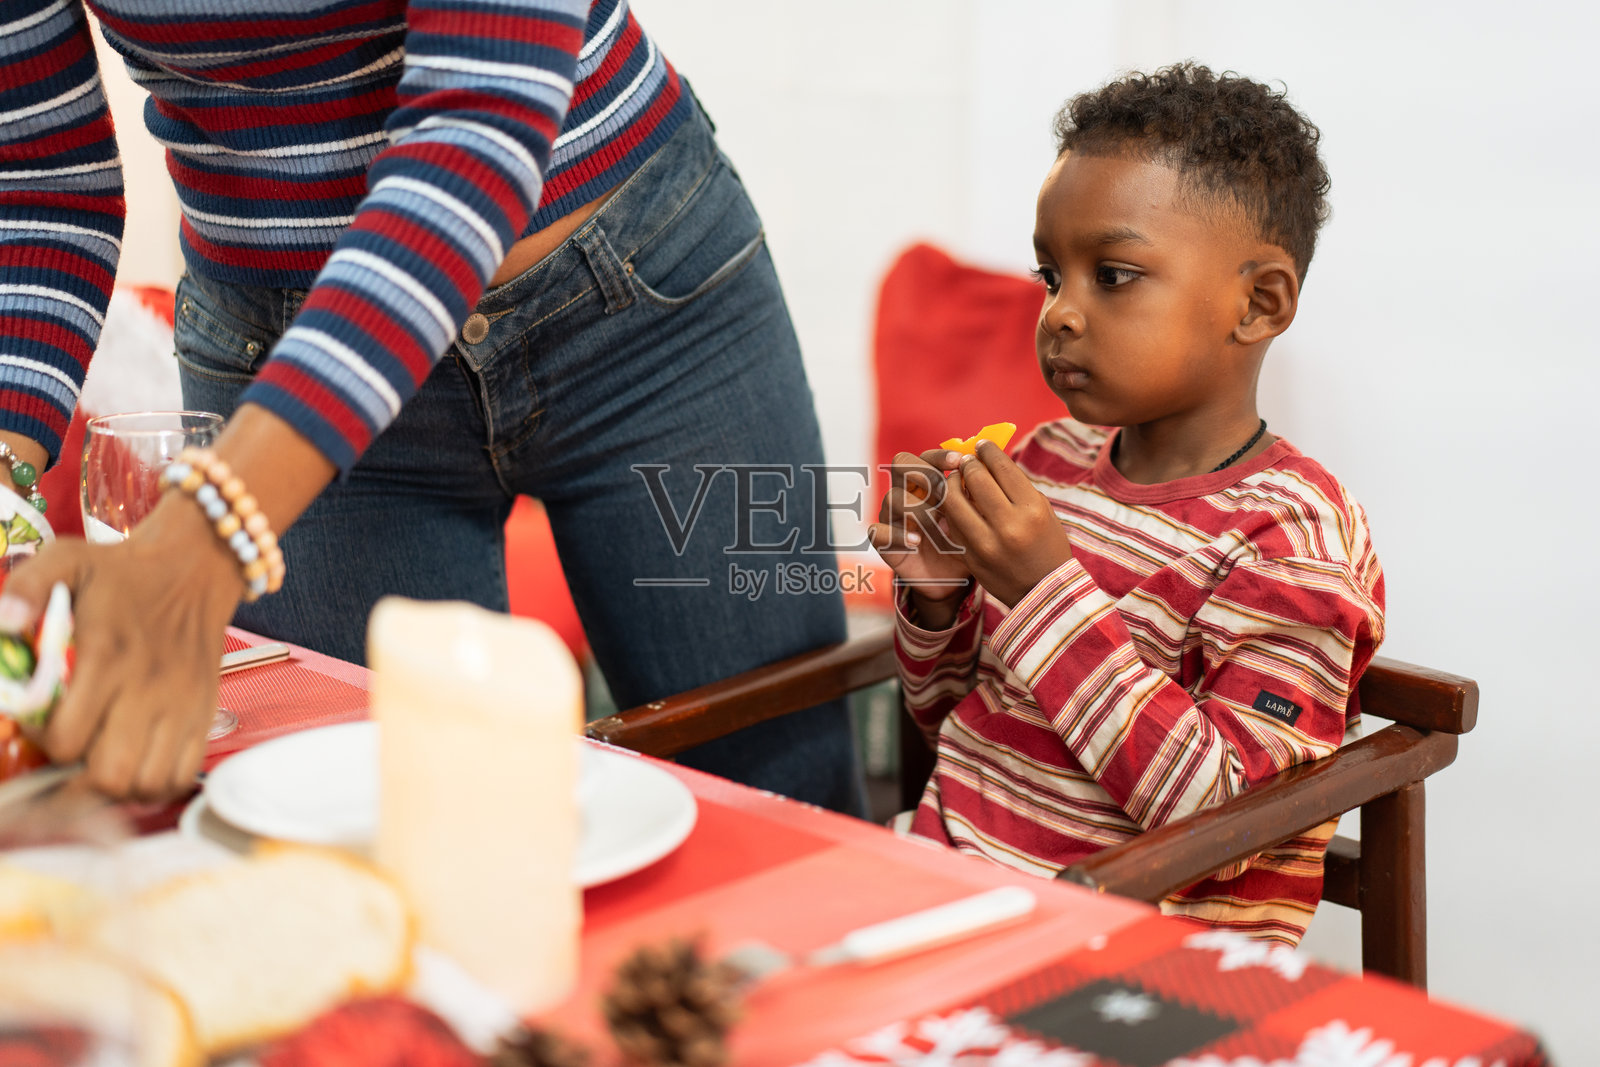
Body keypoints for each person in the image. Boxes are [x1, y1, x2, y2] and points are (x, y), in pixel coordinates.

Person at [0, 1, 862, 813]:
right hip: (282, 358)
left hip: (646, 314)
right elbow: (41, 180)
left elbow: (474, 131)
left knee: (785, 800)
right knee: (365, 852)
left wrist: (205, 534)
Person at [870, 64, 1384, 944]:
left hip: (1127, 964)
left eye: (1111, 274)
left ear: (1259, 303)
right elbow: (955, 711)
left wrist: (1042, 592)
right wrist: (935, 593)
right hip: (946, 896)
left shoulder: (1292, 538)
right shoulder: (1046, 463)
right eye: (1050, 275)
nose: (1061, 313)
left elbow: (1222, 819)